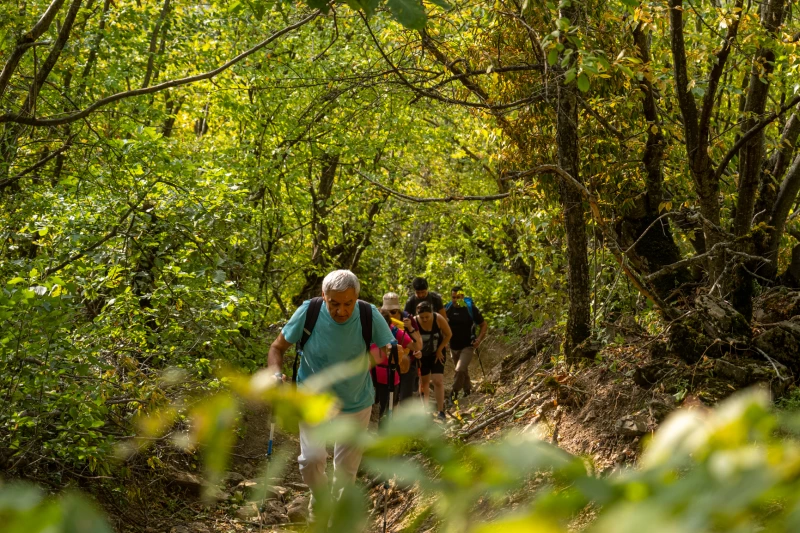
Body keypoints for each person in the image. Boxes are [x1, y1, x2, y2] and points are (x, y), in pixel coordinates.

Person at [267, 270, 395, 514]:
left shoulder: (368, 313)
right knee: (312, 460)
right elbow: (277, 347)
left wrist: (366, 361)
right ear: (323, 296)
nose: (342, 311)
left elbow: (389, 349)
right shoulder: (309, 311)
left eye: (348, 303)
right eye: (334, 303)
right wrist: (275, 374)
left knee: (346, 473)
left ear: (356, 297)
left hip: (356, 401)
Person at [370, 309, 420, 419]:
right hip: (371, 377)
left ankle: (384, 433)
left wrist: (411, 329)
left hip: (390, 378)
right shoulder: (368, 329)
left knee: (387, 410)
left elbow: (416, 346)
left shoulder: (395, 331)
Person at [445, 286, 487, 401]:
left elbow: (483, 324)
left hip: (468, 345)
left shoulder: (470, 309)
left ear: (463, 297)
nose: (455, 300)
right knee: (463, 371)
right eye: (453, 297)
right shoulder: (447, 309)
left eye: (458, 297)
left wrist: (479, 339)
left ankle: (453, 395)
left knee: (459, 369)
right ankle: (467, 391)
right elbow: (440, 325)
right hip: (453, 347)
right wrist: (444, 341)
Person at [381, 292, 421, 403]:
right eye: (387, 312)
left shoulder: (407, 318)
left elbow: (419, 343)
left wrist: (410, 328)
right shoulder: (381, 319)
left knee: (405, 399)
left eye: (393, 312)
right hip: (389, 364)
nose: (391, 315)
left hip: (407, 363)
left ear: (398, 309)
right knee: (391, 399)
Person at [415, 300, 452, 421]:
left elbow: (448, 334)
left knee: (438, 380)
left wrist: (440, 349)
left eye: (427, 316)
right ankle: (424, 411)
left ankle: (441, 411)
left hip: (437, 353)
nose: (425, 319)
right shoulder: (414, 321)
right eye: (422, 317)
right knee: (424, 382)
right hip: (422, 356)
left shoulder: (438, 318)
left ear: (432, 313)